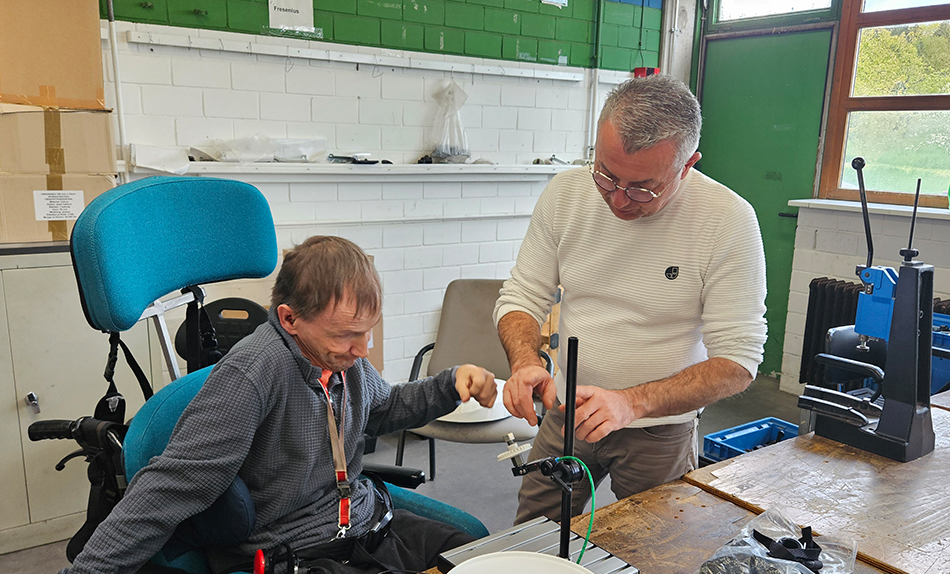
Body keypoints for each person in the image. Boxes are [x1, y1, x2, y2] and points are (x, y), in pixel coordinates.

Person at [62, 235, 497, 574]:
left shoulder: (344, 361)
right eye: (346, 335)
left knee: (480, 557)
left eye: (369, 331)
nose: (363, 349)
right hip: (298, 548)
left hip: (367, 522)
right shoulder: (250, 376)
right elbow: (169, 488)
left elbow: (381, 409)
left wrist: (449, 385)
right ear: (290, 319)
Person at [494, 75, 768, 524]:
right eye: (606, 174)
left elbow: (738, 361)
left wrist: (630, 403)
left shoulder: (727, 220)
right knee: (532, 536)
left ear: (687, 165)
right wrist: (526, 361)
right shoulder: (566, 194)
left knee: (653, 550)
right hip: (566, 412)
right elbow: (522, 296)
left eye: (643, 187)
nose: (619, 201)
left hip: (658, 431)